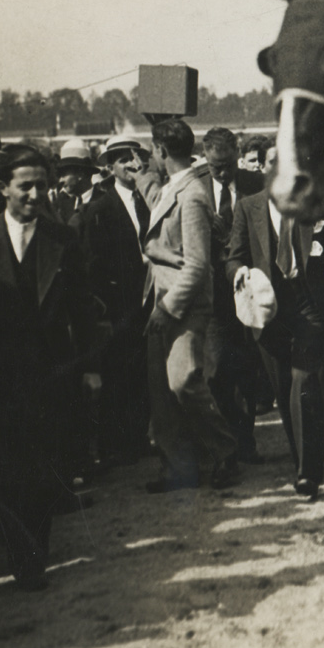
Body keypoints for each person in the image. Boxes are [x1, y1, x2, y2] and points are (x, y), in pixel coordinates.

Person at [0, 149, 101, 590]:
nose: (35, 194)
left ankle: (32, 560)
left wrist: (91, 367)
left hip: (51, 372)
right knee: (7, 468)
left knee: (43, 466)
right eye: (25, 186)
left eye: (41, 185)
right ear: (4, 189)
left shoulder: (62, 238)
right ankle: (20, 549)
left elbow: (82, 308)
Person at [226, 174, 324, 498]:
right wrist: (238, 272)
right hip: (267, 306)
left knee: (304, 380)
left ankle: (308, 473)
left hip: (310, 303)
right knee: (282, 386)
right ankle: (301, 459)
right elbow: (234, 255)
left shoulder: (316, 206)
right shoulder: (248, 207)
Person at [142, 119, 239, 493]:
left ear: (161, 151)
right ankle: (179, 469)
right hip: (162, 301)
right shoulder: (174, 188)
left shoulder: (193, 195)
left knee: (183, 382)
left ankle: (224, 449)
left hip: (181, 306)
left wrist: (168, 308)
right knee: (163, 391)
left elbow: (197, 264)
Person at [79, 136, 152, 467]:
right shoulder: (101, 208)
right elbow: (94, 263)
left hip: (149, 299)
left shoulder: (150, 200)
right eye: (122, 159)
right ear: (110, 167)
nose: (131, 165)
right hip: (120, 303)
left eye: (135, 158)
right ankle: (114, 445)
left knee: (143, 371)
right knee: (119, 373)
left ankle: (138, 438)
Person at [199, 127, 268, 464]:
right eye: (216, 167)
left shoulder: (256, 184)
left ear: (236, 155)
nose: (223, 173)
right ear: (205, 158)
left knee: (247, 369)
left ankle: (245, 441)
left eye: (227, 165)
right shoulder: (196, 189)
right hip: (213, 295)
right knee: (215, 370)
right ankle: (230, 436)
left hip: (249, 288)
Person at [50, 139, 97, 229]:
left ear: (80, 174)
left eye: (63, 175)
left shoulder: (104, 201)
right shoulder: (61, 204)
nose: (60, 180)